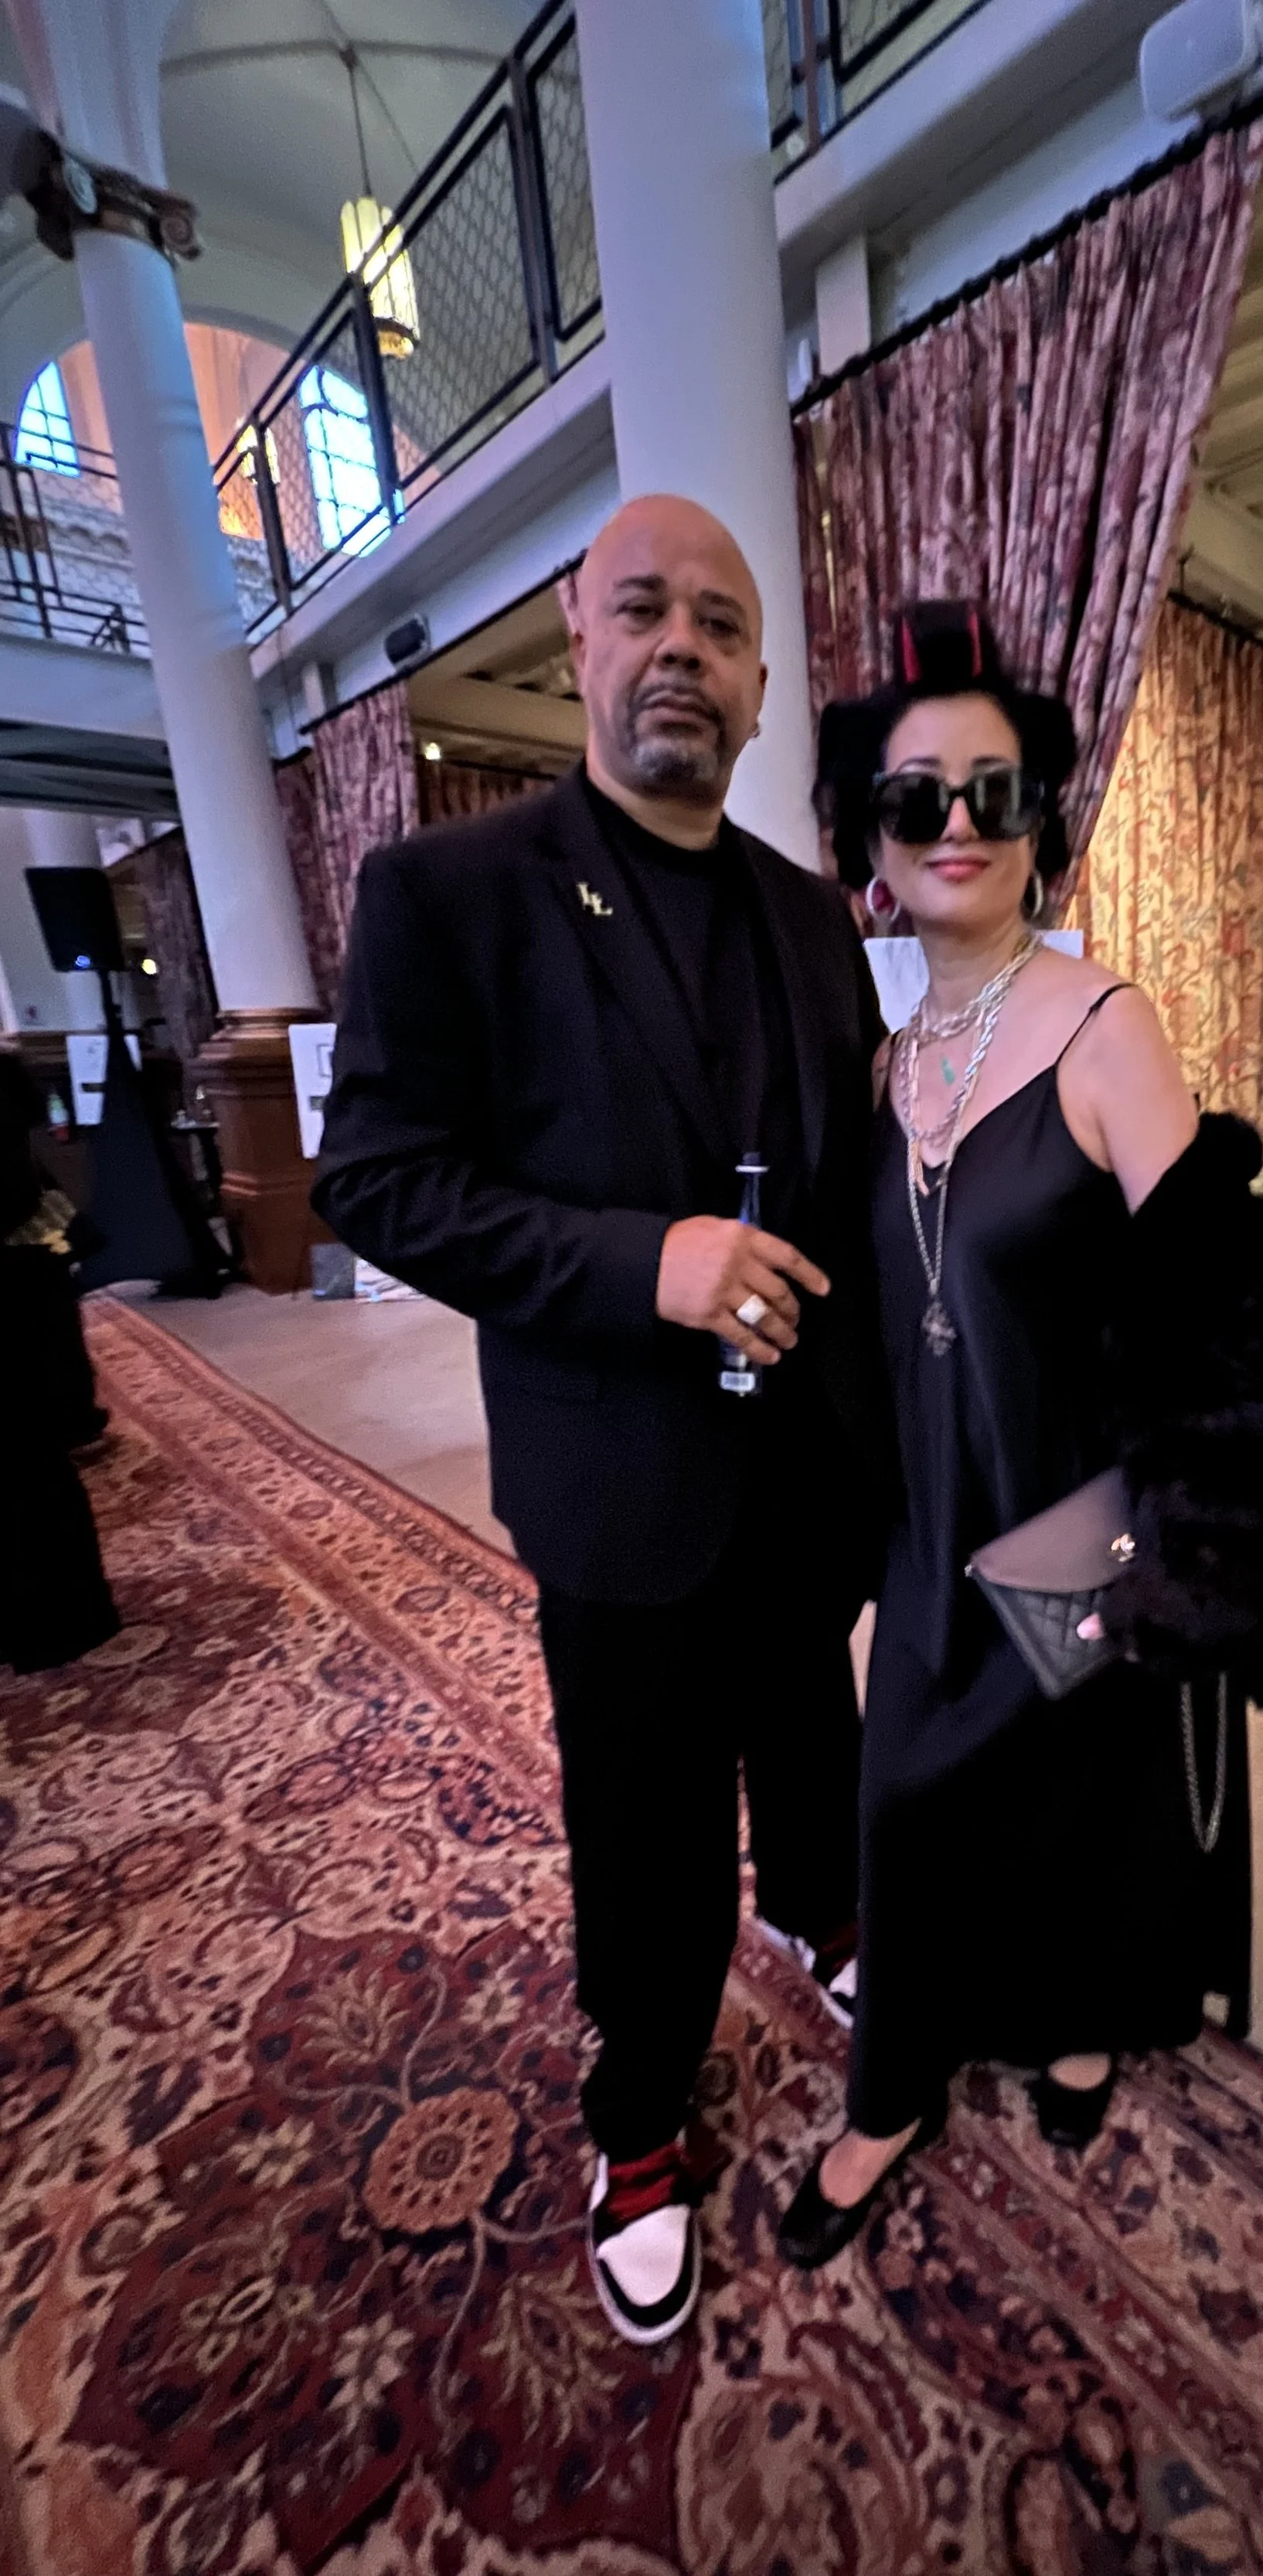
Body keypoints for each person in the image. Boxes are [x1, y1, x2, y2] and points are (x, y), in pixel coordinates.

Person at [314, 495, 890, 2348]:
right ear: (580, 639)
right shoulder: (450, 892)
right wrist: (644, 1263)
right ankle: (636, 2123)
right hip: (618, 1482)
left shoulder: (813, 915)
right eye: (644, 610)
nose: (682, 651)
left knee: (815, 1728)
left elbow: (851, 1176)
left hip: (803, 1468)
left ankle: (829, 1913)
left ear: (759, 682)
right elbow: (379, 1180)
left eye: (720, 627)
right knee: (643, 1837)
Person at [774, 604, 1263, 2267]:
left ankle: (1081, 2018)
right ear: (871, 840)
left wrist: (1221, 1529)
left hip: (1084, 1512)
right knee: (903, 1796)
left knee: (1078, 1786)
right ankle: (889, 2086)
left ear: (1040, 815)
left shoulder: (1104, 1020)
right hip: (926, 1511)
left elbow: (1219, 1294)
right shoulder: (877, 1051)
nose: (959, 826)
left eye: (995, 791)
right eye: (917, 800)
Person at [0, 1045, 119, 1674]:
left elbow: (14, 1184)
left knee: (24, 1463)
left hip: (15, 1274)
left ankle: (63, 1618)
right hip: (22, 1269)